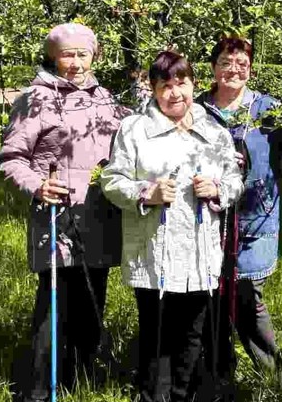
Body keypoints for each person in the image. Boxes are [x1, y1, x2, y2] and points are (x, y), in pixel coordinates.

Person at [100, 50, 244, 402]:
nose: (174, 93)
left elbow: (234, 179)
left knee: (192, 335)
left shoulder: (213, 130)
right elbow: (112, 180)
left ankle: (183, 394)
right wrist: (146, 192)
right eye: (165, 85)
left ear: (194, 84)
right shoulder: (134, 128)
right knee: (157, 333)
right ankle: (153, 396)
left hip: (200, 253)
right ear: (153, 88)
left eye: (182, 83)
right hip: (153, 253)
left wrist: (218, 190)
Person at [0, 23, 130, 402]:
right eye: (66, 55)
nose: (74, 62)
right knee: (53, 306)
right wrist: (37, 184)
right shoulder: (34, 98)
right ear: (53, 56)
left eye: (82, 54)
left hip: (99, 216)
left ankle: (81, 381)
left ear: (95, 55)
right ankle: (38, 389)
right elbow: (11, 158)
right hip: (55, 217)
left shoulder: (106, 99)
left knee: (92, 299)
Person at [194, 37, 282, 391]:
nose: (234, 70)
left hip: (254, 220)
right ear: (213, 67)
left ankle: (279, 382)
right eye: (226, 62)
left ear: (251, 68)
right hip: (205, 219)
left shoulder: (267, 109)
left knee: (248, 300)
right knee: (210, 300)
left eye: (242, 64)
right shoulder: (196, 108)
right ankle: (218, 378)